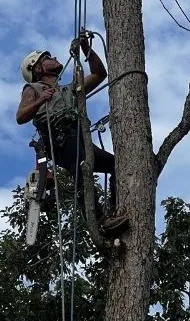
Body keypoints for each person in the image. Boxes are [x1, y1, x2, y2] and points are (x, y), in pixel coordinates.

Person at [16, 30, 128, 235]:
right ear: (37, 68)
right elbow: (21, 116)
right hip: (60, 140)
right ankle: (99, 221)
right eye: (47, 58)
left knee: (115, 165)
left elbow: (99, 74)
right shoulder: (33, 88)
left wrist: (87, 50)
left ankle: (113, 210)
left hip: (78, 138)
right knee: (81, 171)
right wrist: (41, 100)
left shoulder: (69, 90)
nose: (55, 58)